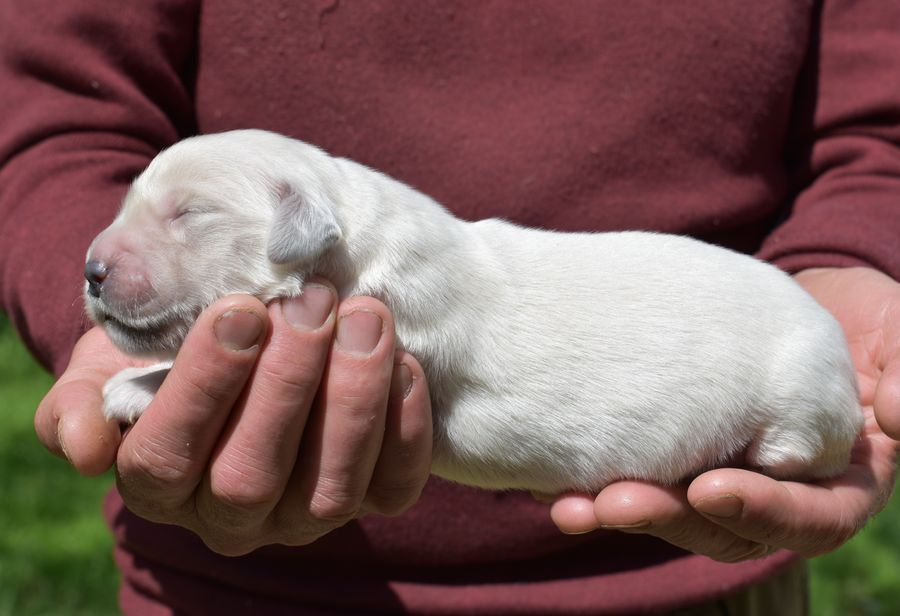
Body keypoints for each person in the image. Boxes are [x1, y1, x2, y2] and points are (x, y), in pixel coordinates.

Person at [1, 1, 898, 613]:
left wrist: (855, 255)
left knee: (787, 408)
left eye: (190, 219)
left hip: (704, 578)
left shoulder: (414, 283)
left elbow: (878, 123)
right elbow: (54, 105)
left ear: (299, 224)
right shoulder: (350, 252)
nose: (108, 255)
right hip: (235, 591)